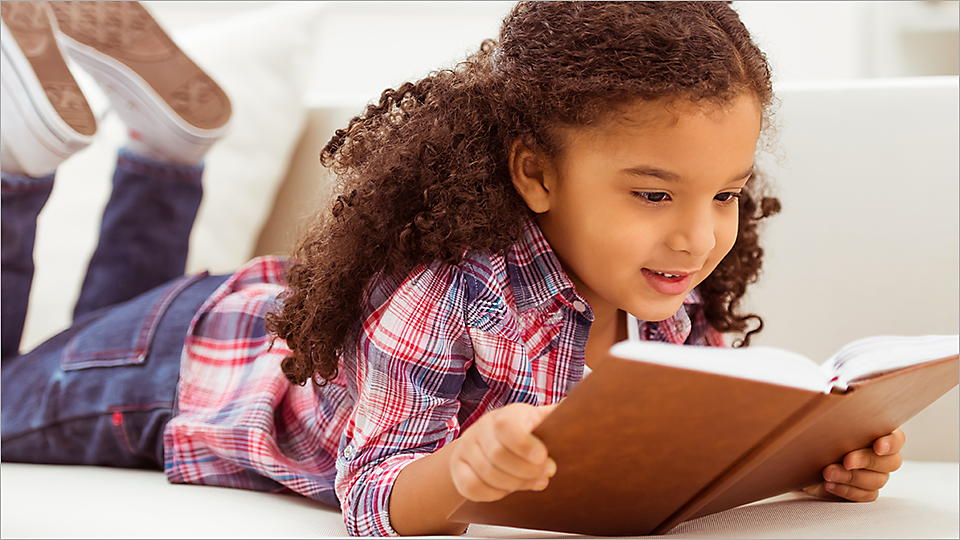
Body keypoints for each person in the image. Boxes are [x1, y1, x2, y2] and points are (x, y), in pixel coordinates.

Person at [1, 1, 907, 537]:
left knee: (104, 310)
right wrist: (459, 476)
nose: (699, 239)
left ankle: (169, 154)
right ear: (536, 172)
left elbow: (691, 448)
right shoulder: (449, 288)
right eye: (654, 195)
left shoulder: (664, 296)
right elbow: (371, 491)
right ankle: (20, 168)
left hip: (209, 319)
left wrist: (813, 462)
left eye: (726, 195)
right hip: (184, 370)